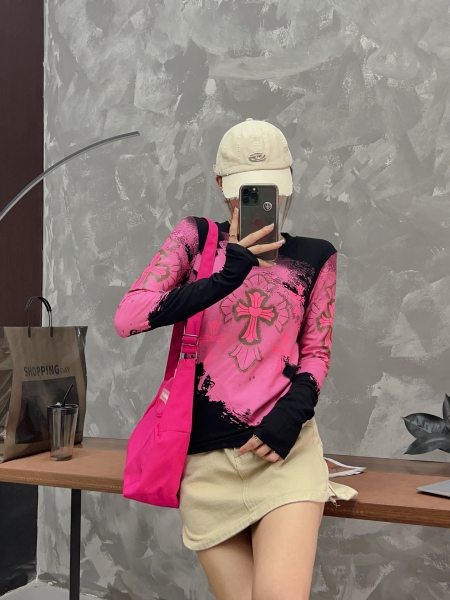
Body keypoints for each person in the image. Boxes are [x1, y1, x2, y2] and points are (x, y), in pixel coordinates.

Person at [114, 118, 357, 600]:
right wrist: (228, 275)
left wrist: (293, 413)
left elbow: (316, 351)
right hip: (205, 465)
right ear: (222, 183)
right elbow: (128, 318)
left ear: (286, 186)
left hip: (284, 453)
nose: (260, 200)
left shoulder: (316, 257)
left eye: (269, 187)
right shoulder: (195, 239)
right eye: (247, 190)